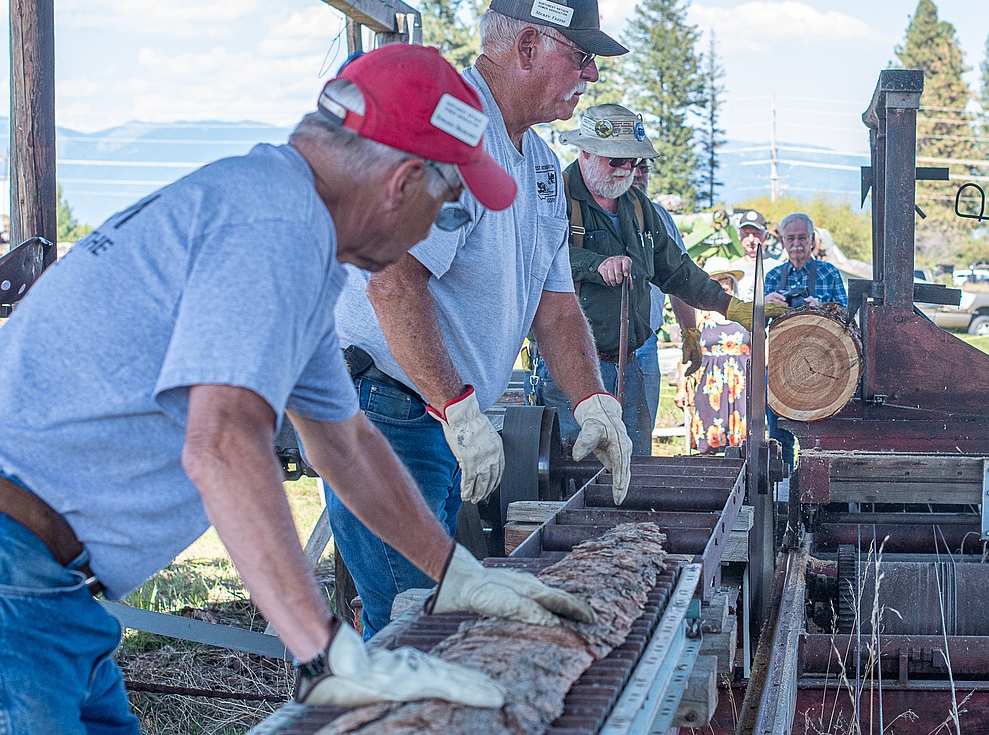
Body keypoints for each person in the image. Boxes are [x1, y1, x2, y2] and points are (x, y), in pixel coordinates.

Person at [0, 44, 598, 733]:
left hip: (52, 595)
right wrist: (322, 651)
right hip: (18, 580)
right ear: (403, 182)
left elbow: (343, 442)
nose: (440, 226)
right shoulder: (271, 226)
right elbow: (222, 442)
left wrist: (455, 571)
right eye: (449, 206)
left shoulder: (288, 227)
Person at [330, 0, 633, 639]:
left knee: (428, 620)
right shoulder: (446, 131)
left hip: (430, 419)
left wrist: (592, 403)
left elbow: (555, 307)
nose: (590, 75)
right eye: (581, 57)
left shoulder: (543, 169)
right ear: (528, 47)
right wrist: (459, 411)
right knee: (414, 628)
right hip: (389, 417)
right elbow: (392, 279)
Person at [533, 103, 783, 454]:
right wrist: (594, 264)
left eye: (633, 161)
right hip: (570, 367)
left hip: (630, 365)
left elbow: (676, 271)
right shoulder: (551, 197)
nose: (627, 170)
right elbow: (534, 257)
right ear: (586, 152)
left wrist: (730, 306)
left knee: (634, 468)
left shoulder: (637, 206)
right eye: (617, 160)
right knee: (574, 472)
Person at [762, 211, 849, 470]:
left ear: (812, 240)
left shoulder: (828, 273)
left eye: (802, 237)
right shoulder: (773, 277)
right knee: (779, 435)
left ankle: (813, 484)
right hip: (781, 366)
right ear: (783, 241)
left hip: (823, 367)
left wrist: (821, 307)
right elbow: (757, 325)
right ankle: (784, 484)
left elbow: (846, 316)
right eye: (791, 238)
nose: (797, 244)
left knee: (818, 435)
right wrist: (764, 305)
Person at [630, 158, 697, 434]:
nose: (637, 175)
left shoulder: (660, 218)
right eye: (629, 165)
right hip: (591, 343)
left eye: (644, 168)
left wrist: (690, 333)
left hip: (644, 343)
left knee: (639, 436)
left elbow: (679, 280)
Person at [680, 256, 751, 454]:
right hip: (710, 386)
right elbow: (686, 352)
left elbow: (758, 349)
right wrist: (682, 386)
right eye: (716, 281)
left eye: (725, 280)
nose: (722, 285)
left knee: (742, 444)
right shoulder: (700, 317)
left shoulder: (743, 314)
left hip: (741, 386)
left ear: (731, 282)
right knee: (708, 441)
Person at [728, 209, 782, 300]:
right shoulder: (732, 270)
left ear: (766, 236)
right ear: (739, 236)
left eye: (756, 234)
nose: (751, 239)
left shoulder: (778, 268)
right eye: (746, 234)